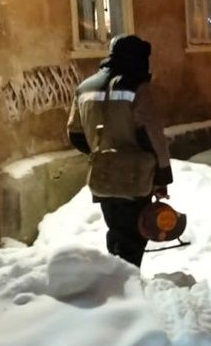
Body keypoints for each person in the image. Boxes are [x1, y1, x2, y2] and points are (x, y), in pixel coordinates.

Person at [67, 34, 172, 268]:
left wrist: (101, 152)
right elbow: (153, 136)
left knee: (116, 230)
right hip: (136, 176)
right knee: (134, 237)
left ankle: (115, 283)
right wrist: (162, 177)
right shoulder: (137, 88)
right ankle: (126, 290)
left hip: (102, 175)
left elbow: (74, 134)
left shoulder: (84, 88)